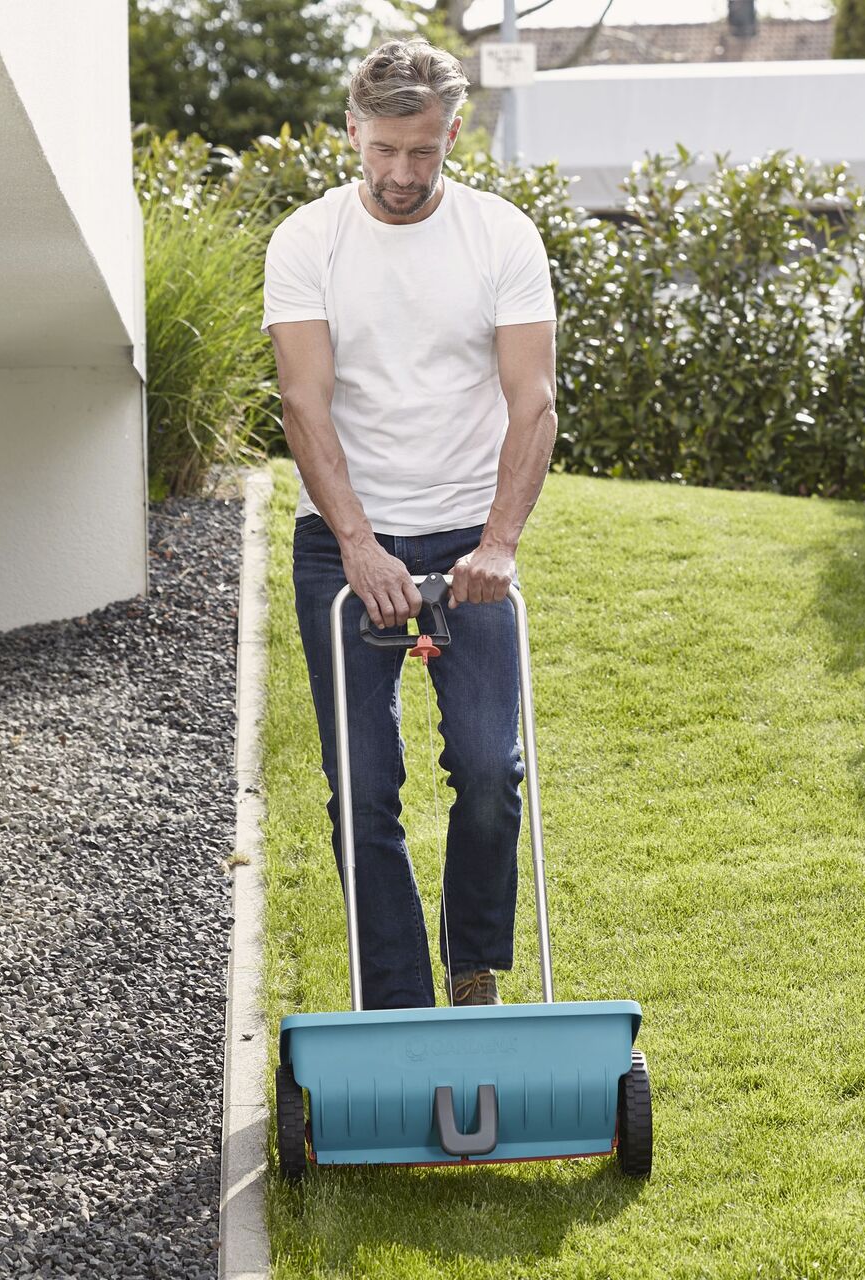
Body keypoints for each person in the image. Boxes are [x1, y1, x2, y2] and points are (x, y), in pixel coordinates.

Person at [262, 38, 558, 1010]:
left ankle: (473, 971)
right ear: (352, 130)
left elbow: (534, 402)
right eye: (383, 149)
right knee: (363, 784)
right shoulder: (308, 241)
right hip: (345, 544)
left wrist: (499, 543)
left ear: (453, 134)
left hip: (470, 540)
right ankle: (396, 1006)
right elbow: (303, 401)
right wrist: (358, 543)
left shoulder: (500, 237)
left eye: (421, 151)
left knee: (488, 767)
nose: (400, 172)